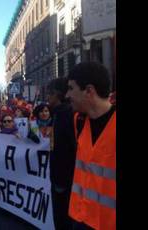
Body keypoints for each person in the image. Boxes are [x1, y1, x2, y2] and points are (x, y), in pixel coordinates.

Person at [66, 62, 116, 230]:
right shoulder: (77, 121)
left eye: (71, 88)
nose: (67, 95)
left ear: (88, 91)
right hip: (80, 218)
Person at [46, 78, 77, 230]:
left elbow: (73, 147)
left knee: (63, 220)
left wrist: (65, 179)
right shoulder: (57, 115)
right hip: (58, 178)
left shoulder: (67, 115)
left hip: (64, 181)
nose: (47, 98)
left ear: (57, 95)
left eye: (49, 95)